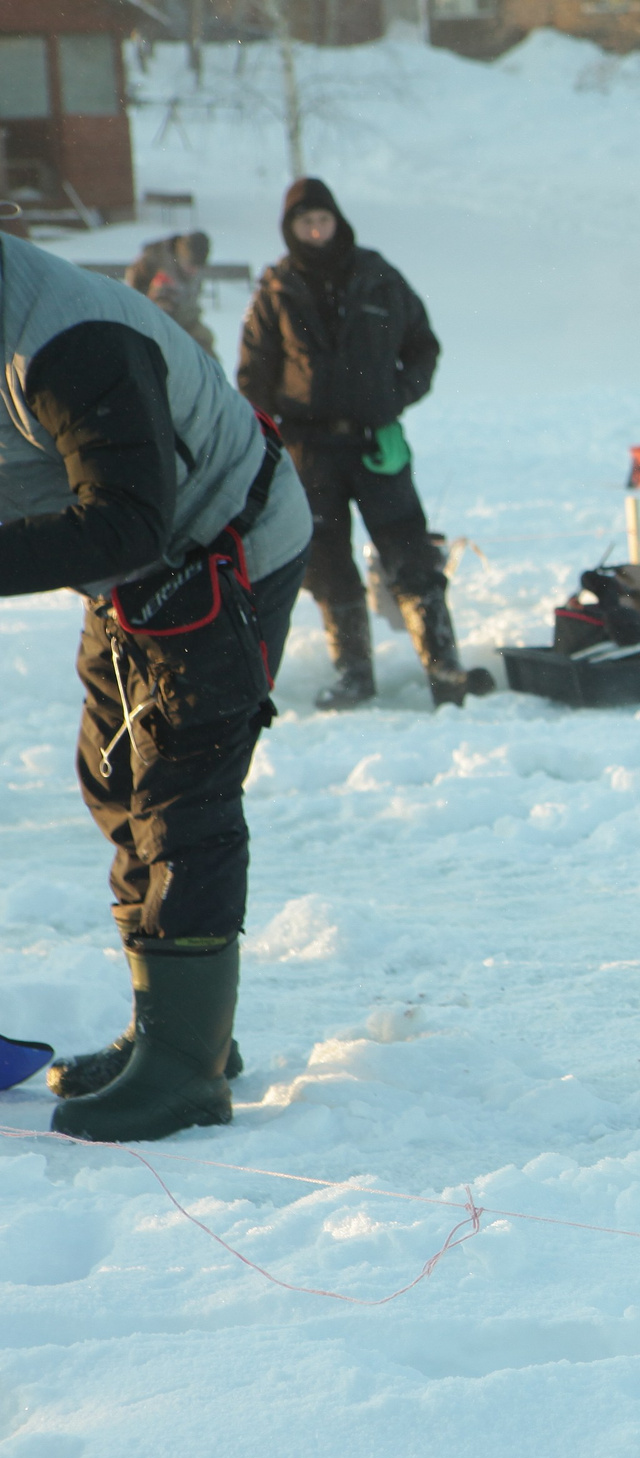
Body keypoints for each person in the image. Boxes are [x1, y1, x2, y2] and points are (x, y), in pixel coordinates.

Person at [0, 233, 313, 1142]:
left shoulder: (70, 343)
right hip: (129, 574)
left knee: (180, 789)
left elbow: (128, 522)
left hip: (222, 544)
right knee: (113, 776)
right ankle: (170, 1025)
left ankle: (186, 1068)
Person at [238, 178, 479, 711]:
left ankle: (445, 669)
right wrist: (272, 435)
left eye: (322, 220)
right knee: (327, 564)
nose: (316, 230)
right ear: (290, 228)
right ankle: (353, 674)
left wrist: (397, 396)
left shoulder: (378, 276)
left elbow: (423, 346)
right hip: (308, 449)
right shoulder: (276, 290)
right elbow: (253, 374)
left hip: (375, 442)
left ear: (338, 221)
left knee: (411, 553)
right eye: (305, 222)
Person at [124, 230, 216, 354]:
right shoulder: (156, 254)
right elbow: (133, 286)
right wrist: (150, 301)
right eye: (190, 265)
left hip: (187, 320)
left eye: (197, 268)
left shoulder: (197, 263)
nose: (194, 271)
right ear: (182, 254)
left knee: (205, 344)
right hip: (155, 320)